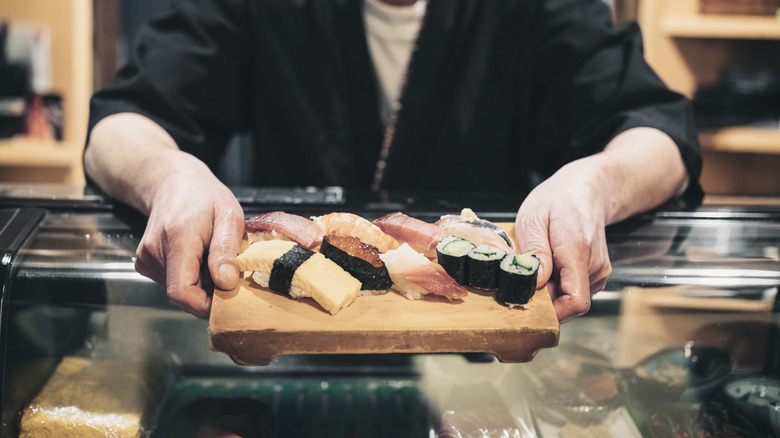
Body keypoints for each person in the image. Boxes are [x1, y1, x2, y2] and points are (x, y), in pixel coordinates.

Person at [84, 0, 703, 323]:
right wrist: (172, 175)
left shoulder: (537, 9)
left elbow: (661, 135)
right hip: (291, 331)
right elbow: (120, 122)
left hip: (480, 353)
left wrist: (591, 184)